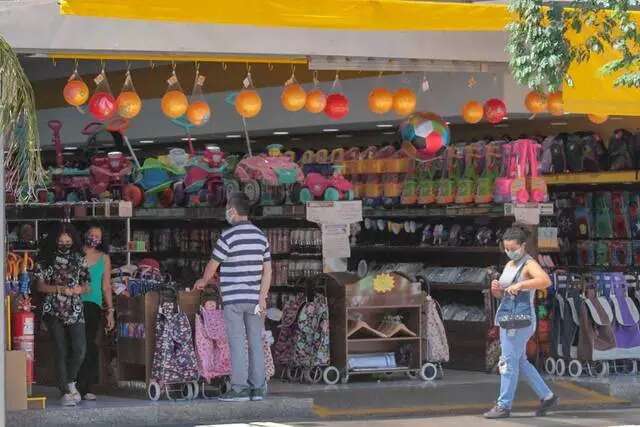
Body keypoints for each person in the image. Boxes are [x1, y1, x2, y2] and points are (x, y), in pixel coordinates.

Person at [195, 192, 272, 402]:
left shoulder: (228, 236)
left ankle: (239, 389)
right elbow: (268, 271)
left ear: (233, 210)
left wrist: (203, 280)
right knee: (255, 341)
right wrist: (262, 297)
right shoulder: (260, 236)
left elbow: (213, 264)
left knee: (237, 343)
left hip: (234, 300)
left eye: (227, 208)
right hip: (255, 300)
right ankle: (258, 388)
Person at [484, 227, 557, 419]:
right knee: (520, 361)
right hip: (508, 318)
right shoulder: (509, 265)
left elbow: (545, 281)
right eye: (506, 248)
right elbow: (502, 295)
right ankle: (547, 395)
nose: (509, 251)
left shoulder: (529, 264)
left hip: (519, 322)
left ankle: (504, 405)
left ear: (523, 246)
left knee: (508, 362)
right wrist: (496, 289)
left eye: (513, 248)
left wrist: (521, 285)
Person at [34, 223, 89, 407]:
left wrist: (79, 289)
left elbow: (87, 284)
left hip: (75, 308)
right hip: (52, 308)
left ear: (73, 241)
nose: (64, 244)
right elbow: (40, 286)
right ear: (54, 241)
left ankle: (70, 381)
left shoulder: (79, 258)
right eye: (61, 241)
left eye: (68, 241)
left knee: (80, 349)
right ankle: (65, 391)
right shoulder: (44, 259)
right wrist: (59, 289)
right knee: (60, 349)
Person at [77, 225, 115, 401]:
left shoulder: (104, 258)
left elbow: (106, 286)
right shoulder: (76, 254)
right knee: (76, 344)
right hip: (73, 302)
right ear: (85, 235)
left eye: (97, 236)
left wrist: (110, 310)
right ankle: (72, 384)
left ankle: (86, 386)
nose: (93, 238)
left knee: (90, 344)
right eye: (91, 234)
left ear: (101, 240)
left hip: (93, 304)